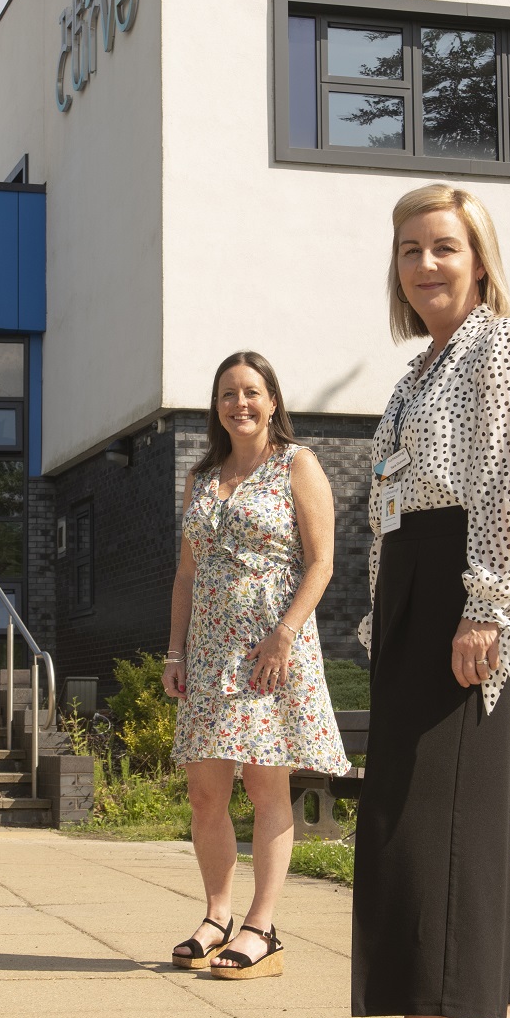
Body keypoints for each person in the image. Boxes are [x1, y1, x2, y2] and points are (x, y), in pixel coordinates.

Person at [325, 185, 510, 1018]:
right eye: (410, 248)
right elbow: (394, 510)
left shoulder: (506, 347)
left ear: (480, 257)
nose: (424, 264)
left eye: (444, 247)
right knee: (462, 824)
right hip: (416, 599)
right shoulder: (417, 371)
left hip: (465, 594)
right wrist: (393, 617)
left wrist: (489, 608)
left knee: (423, 824)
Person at [163, 351, 350, 980]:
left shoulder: (298, 465)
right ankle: (217, 915)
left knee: (266, 788)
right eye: (226, 395)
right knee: (205, 792)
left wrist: (284, 634)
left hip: (271, 649)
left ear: (272, 400)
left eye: (250, 392)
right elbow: (186, 575)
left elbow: (322, 561)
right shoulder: (202, 478)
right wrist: (175, 651)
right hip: (210, 654)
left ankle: (261, 927)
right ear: (215, 407)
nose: (239, 404)